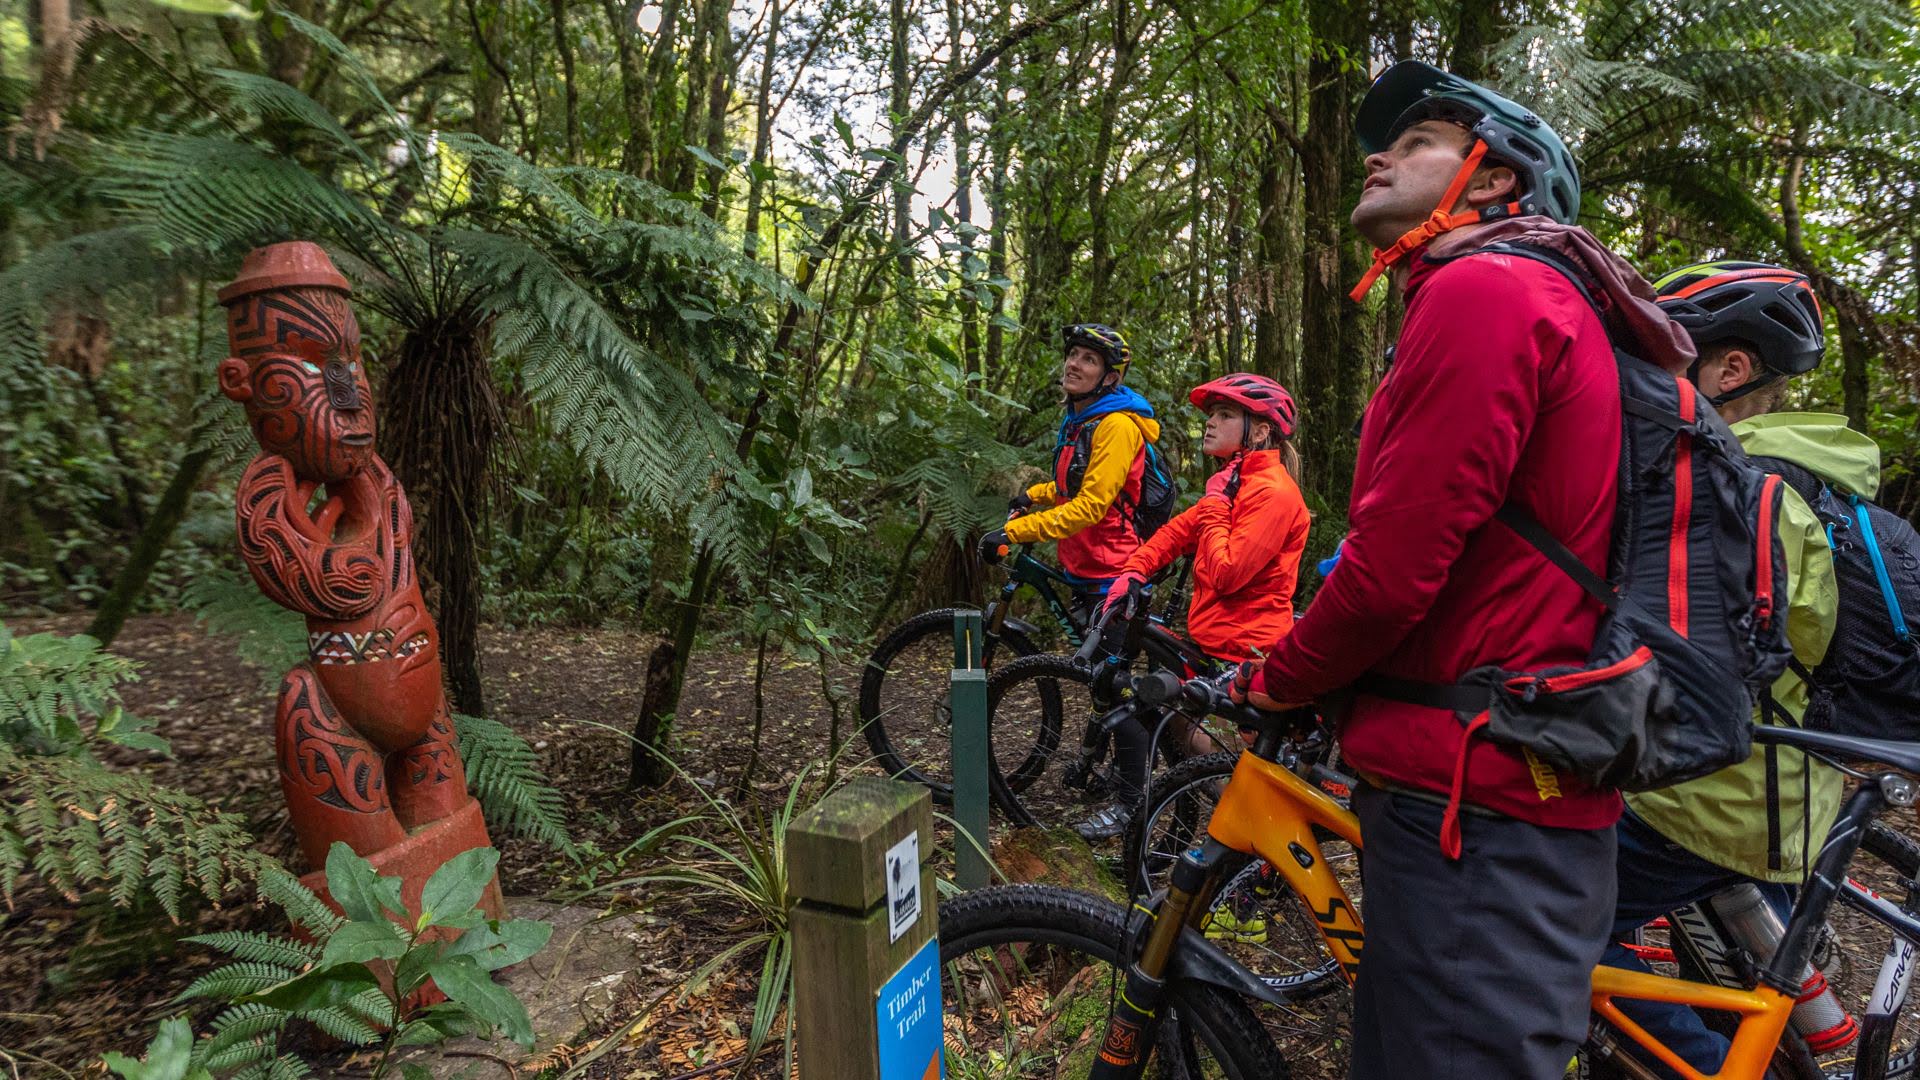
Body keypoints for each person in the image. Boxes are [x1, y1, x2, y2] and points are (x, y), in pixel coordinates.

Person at [1238, 60, 1696, 1078]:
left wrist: (1277, 677)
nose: (1379, 153)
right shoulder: (1528, 294)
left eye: (1416, 140)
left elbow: (1393, 570)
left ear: (1491, 180)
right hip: (1491, 782)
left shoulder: (1486, 290)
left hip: (1474, 802)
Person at [1601, 261, 1879, 1075]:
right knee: (1768, 989)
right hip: (1786, 783)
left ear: (1730, 369)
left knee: (1546, 918)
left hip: (1717, 791)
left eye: (1668, 353)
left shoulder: (1738, 485)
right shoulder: (1819, 480)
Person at [1070, 373, 1312, 841]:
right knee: (1171, 719)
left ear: (1260, 431)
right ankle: (1207, 820)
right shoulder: (1234, 482)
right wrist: (1133, 572)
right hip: (1213, 640)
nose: (1210, 423)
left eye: (1225, 415)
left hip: (1248, 651)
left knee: (1191, 731)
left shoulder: (1273, 493)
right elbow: (1177, 533)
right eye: (1211, 415)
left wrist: (1217, 506)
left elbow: (1227, 572)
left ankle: (1262, 833)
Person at [981, 324, 1162, 613]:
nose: (1074, 364)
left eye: (1089, 359)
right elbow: (1074, 484)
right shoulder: (1081, 423)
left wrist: (1014, 531)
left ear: (1111, 377)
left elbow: (1091, 506)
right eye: (1073, 354)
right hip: (1083, 568)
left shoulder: (1116, 426)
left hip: (1112, 572)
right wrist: (1034, 495)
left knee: (1101, 660)